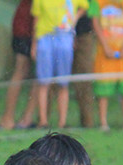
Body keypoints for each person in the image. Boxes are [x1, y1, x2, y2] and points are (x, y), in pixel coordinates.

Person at [32, 0, 90, 129]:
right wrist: (34, 43)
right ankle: (43, 120)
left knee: (63, 83)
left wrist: (74, 19)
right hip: (45, 36)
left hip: (64, 36)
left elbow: (85, 6)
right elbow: (36, 18)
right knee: (43, 82)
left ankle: (62, 122)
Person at [91, 0, 123, 131]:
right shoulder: (98, 2)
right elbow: (95, 22)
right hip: (104, 52)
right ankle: (103, 123)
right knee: (103, 88)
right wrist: (105, 46)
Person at [0, 0, 39, 130]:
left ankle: (25, 117)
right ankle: (9, 117)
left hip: (33, 26)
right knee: (23, 70)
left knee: (38, 73)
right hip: (27, 26)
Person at [72, 13, 97, 128]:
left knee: (85, 79)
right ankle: (46, 123)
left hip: (84, 32)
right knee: (53, 81)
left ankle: (87, 122)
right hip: (57, 33)